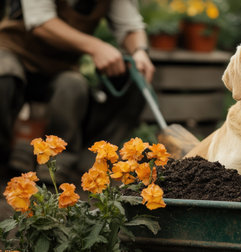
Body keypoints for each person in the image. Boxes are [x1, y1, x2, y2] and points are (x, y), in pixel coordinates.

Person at [0, 0, 155, 180]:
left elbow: (130, 26)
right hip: (12, 52)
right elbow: (41, 22)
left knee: (72, 86)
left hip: (61, 66)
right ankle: (5, 155)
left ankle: (61, 164)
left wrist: (139, 51)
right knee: (3, 72)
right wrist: (96, 47)